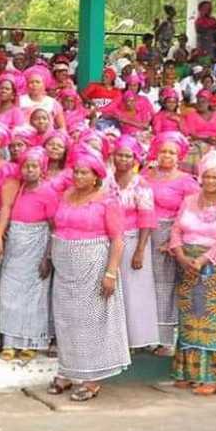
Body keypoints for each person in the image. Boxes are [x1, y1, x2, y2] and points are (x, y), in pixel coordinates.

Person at [48, 148, 128, 402]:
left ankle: (92, 379)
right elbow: (57, 227)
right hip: (65, 268)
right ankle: (67, 370)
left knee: (91, 322)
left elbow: (118, 239)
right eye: (76, 172)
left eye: (85, 173)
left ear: (96, 177)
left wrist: (111, 273)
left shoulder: (107, 200)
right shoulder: (66, 195)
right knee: (66, 320)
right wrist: (50, 256)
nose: (79, 177)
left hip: (93, 266)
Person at [168, 151, 216, 395]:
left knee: (212, 319)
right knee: (190, 319)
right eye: (207, 176)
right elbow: (177, 229)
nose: (211, 182)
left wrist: (202, 260)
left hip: (213, 268)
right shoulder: (189, 200)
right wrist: (179, 254)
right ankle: (189, 373)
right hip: (186, 264)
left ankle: (213, 377)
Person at [0, 147, 57, 361]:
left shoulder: (48, 192)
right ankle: (10, 342)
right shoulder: (16, 189)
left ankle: (31, 341)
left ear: (42, 169)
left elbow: (53, 227)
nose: (29, 170)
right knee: (9, 293)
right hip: (15, 246)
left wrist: (47, 257)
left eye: (34, 166)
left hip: (37, 246)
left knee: (33, 296)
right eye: (26, 166)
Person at [142, 132, 199, 352]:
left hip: (167, 237)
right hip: (143, 236)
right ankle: (145, 335)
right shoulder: (146, 175)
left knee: (164, 286)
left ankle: (164, 339)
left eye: (172, 152)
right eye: (164, 151)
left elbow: (194, 213)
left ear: (180, 156)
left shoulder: (186, 182)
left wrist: (175, 241)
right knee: (144, 285)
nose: (167, 156)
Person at [108, 135, 159, 351]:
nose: (123, 159)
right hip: (110, 241)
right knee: (115, 290)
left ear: (135, 159)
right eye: (120, 155)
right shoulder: (106, 181)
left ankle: (137, 339)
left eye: (128, 156)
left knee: (135, 291)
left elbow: (147, 217)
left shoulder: (141, 184)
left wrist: (140, 250)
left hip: (133, 241)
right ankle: (115, 338)